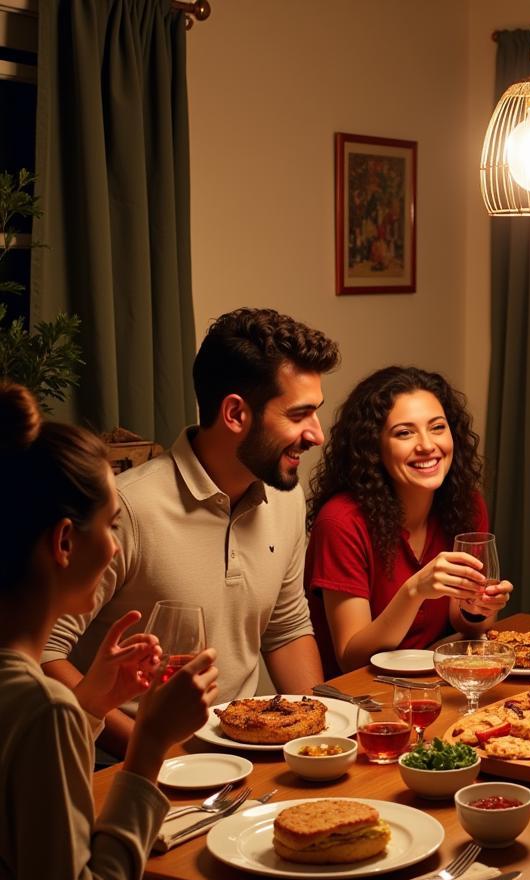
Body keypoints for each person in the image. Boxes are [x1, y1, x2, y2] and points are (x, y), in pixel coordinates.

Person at [0, 382, 218, 880]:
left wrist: (93, 703)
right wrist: (148, 748)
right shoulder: (42, 710)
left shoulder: (38, 703)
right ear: (65, 541)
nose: (117, 547)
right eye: (112, 525)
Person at [42, 308, 339, 757]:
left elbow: (286, 628)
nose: (316, 434)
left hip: (239, 755)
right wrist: (156, 749)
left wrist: (320, 737)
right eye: (299, 415)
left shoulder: (286, 498)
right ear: (236, 413)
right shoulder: (126, 509)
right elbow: (45, 655)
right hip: (122, 764)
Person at [305, 366, 513, 674]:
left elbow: (468, 624)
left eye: (437, 427)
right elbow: (351, 657)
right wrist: (414, 591)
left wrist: (476, 609)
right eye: (405, 432)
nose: (427, 445)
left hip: (435, 683)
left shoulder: (466, 505)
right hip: (363, 699)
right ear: (374, 447)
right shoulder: (341, 522)